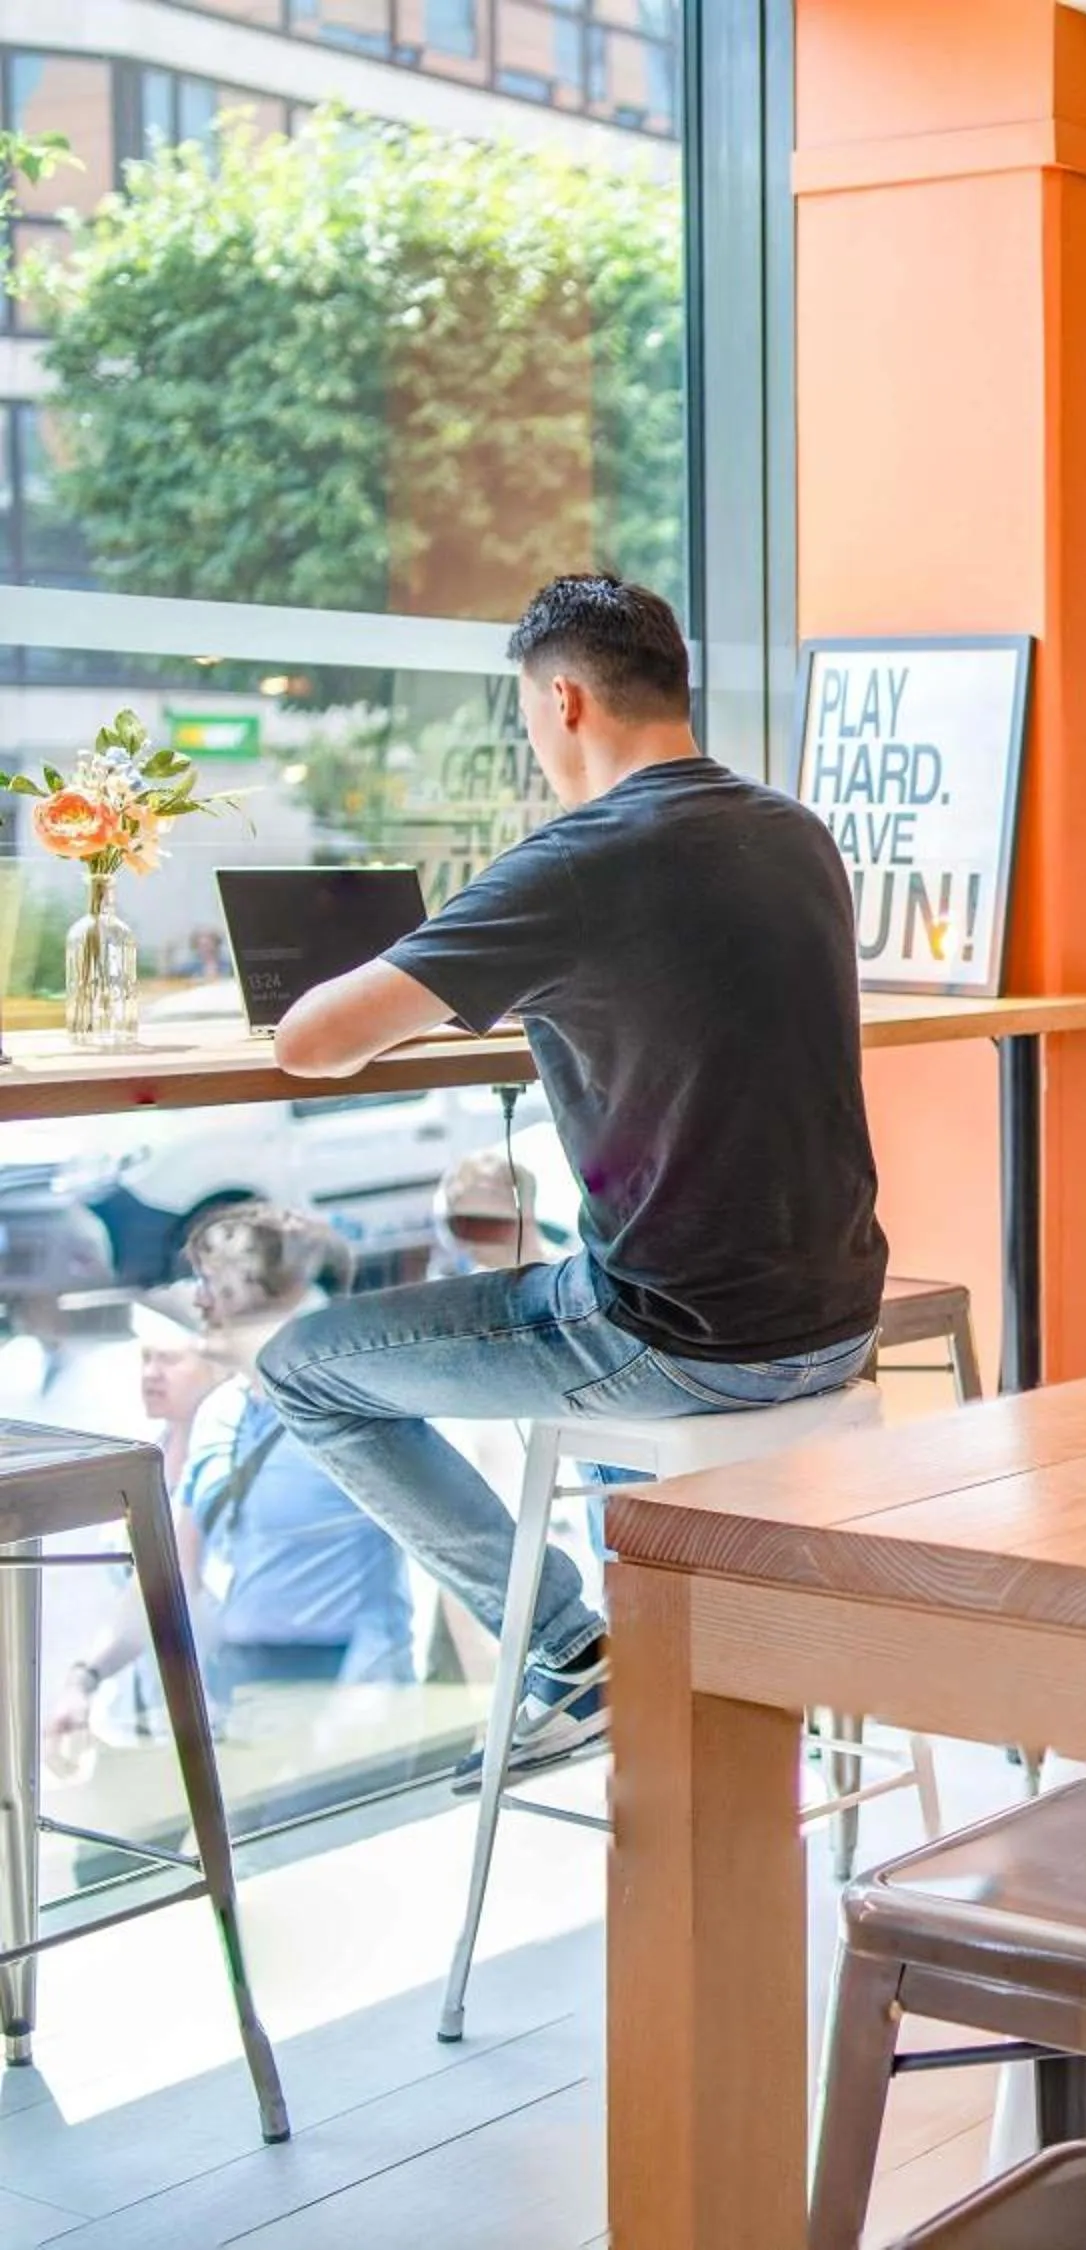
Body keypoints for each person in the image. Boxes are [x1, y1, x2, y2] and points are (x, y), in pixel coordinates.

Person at [258, 573, 887, 1778]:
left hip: (682, 1343)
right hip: (836, 1323)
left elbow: (312, 1042)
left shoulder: (581, 862)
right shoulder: (793, 833)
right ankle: (705, 1660)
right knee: (583, 1288)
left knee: (305, 1370)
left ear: (562, 702)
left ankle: (573, 1657)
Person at [46, 1207, 409, 1772]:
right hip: (242, 1707)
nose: (199, 1303)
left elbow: (449, 1557)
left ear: (286, 1300)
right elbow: (171, 1582)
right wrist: (85, 1678)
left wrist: (369, 1707)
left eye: (218, 1285)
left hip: (342, 1710)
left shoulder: (357, 1413)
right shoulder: (219, 1415)